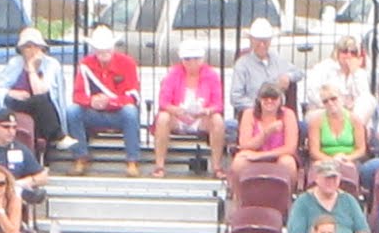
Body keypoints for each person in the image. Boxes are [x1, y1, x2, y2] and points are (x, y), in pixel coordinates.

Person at [68, 25, 141, 176]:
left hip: (119, 113)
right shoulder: (85, 65)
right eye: (100, 49)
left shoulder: (128, 63)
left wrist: (111, 102)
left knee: (131, 112)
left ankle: (132, 160)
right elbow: (77, 95)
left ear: (113, 47)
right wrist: (91, 101)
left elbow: (134, 97)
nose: (104, 53)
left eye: (107, 49)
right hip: (94, 112)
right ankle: (80, 157)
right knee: (72, 111)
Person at [151, 39, 226, 179]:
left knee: (218, 121)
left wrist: (206, 111)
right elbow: (163, 102)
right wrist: (176, 110)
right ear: (182, 60)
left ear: (202, 59)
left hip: (201, 118)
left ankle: (217, 166)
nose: (192, 63)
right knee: (162, 118)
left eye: (196, 59)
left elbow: (218, 104)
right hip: (178, 117)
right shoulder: (173, 74)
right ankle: (159, 165)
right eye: (187, 59)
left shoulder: (212, 75)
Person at [0, 25, 73, 158]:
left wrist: (31, 68)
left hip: (41, 109)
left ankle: (40, 159)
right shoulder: (14, 63)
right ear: (21, 49)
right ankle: (58, 135)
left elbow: (41, 91)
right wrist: (13, 93)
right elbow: (0, 88)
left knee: (40, 102)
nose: (32, 50)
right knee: (39, 103)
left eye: (36, 46)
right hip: (17, 105)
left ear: (42, 49)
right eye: (28, 46)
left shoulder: (51, 65)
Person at [286, 160, 372, 233]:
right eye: (327, 178)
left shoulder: (349, 200)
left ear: (339, 179)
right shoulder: (303, 201)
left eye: (334, 178)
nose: (331, 182)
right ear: (317, 178)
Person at [229, 17, 299, 122]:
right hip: (254, 115)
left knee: (302, 128)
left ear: (270, 41)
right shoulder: (242, 65)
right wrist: (261, 106)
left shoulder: (277, 59)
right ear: (251, 40)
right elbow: (235, 97)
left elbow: (299, 72)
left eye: (265, 41)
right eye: (258, 40)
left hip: (279, 114)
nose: (262, 44)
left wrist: (288, 77)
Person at [303, 35, 376, 124]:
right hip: (324, 109)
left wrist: (355, 73)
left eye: (353, 52)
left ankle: (353, 129)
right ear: (337, 52)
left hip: (351, 114)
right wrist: (336, 105)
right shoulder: (324, 67)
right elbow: (312, 93)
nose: (349, 55)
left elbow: (363, 96)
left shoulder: (359, 73)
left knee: (369, 100)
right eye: (345, 51)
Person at [232, 83, 299, 179]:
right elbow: (244, 145)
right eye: (265, 98)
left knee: (288, 162)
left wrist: (262, 156)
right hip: (253, 154)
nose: (269, 101)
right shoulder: (249, 114)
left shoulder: (288, 114)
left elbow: (290, 148)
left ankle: (288, 193)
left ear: (280, 100)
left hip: (279, 155)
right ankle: (238, 193)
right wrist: (266, 132)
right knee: (239, 161)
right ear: (259, 99)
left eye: (274, 98)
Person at [304, 83, 368, 166]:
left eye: (333, 98)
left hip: (349, 159)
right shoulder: (316, 121)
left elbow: (361, 149)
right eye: (325, 101)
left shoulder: (355, 119)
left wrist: (347, 158)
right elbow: (314, 151)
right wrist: (331, 160)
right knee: (318, 167)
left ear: (342, 98)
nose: (330, 103)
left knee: (349, 167)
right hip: (324, 159)